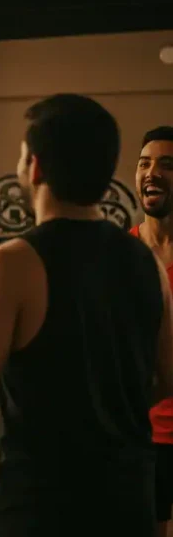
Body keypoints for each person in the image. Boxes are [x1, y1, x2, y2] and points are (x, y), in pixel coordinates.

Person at [0, 94, 173, 537]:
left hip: (39, 505)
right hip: (126, 500)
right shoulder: (146, 263)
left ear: (34, 167)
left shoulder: (11, 264)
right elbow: (167, 377)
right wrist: (103, 411)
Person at [131, 125, 173, 537]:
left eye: (167, 164)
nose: (153, 172)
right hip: (143, 432)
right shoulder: (120, 256)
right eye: (145, 163)